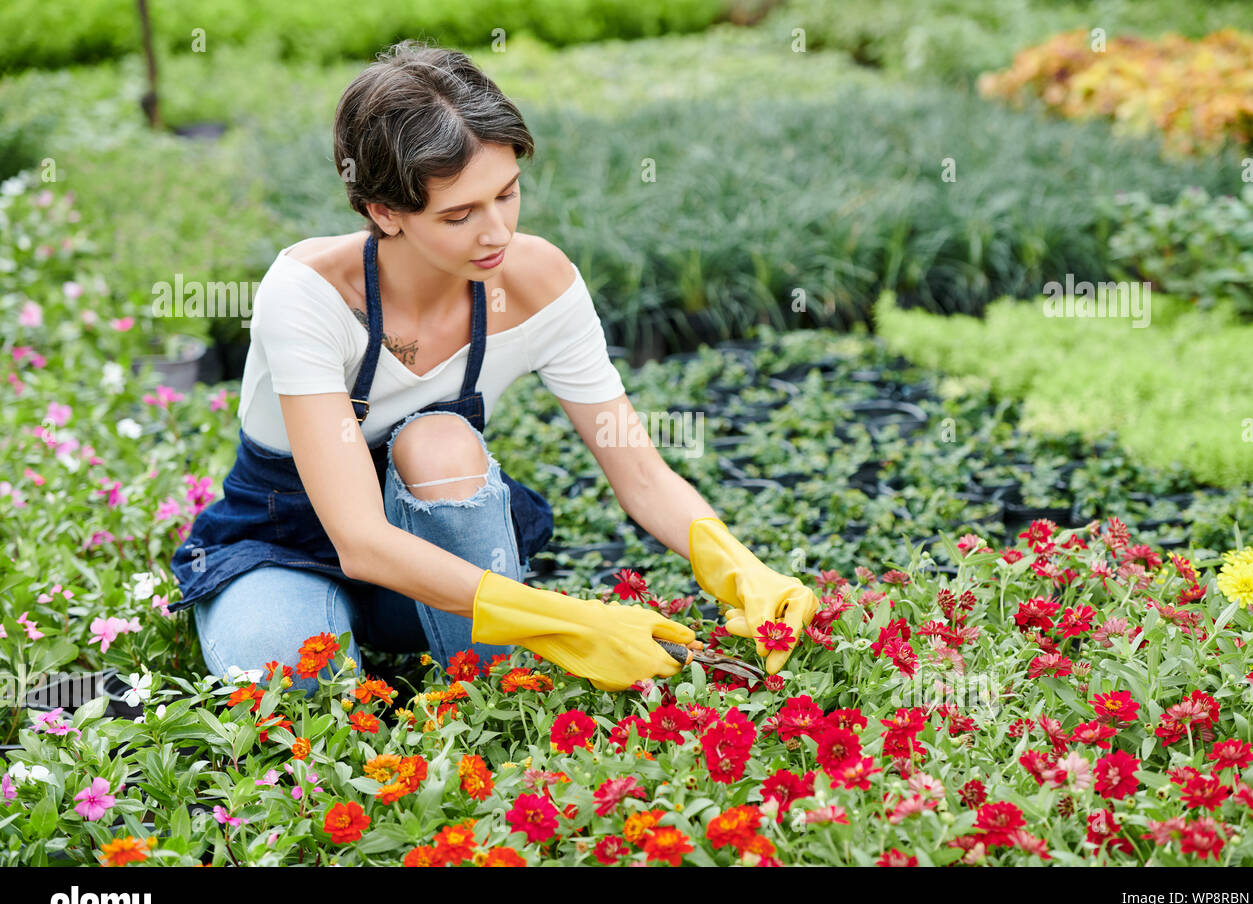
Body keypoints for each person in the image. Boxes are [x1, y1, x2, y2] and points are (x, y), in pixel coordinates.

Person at [166, 39, 817, 695]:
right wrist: (566, 621)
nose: (497, 233)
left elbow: (642, 473)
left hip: (433, 566)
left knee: (439, 439)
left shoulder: (538, 283)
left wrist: (737, 567)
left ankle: (484, 688)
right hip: (285, 552)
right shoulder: (309, 294)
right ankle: (322, 630)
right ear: (384, 211)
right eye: (459, 214)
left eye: (507, 195)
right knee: (294, 683)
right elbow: (358, 538)